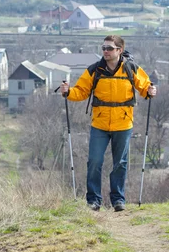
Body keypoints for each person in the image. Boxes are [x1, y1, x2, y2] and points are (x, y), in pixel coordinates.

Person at [60, 35, 157, 212]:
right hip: (100, 123)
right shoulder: (95, 70)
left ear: (119, 50)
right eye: (104, 48)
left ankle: (118, 200)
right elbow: (81, 91)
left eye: (109, 48)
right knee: (95, 161)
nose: (105, 51)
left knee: (120, 162)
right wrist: (68, 92)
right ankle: (93, 201)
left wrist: (150, 91)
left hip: (123, 123)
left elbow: (145, 87)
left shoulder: (130, 68)